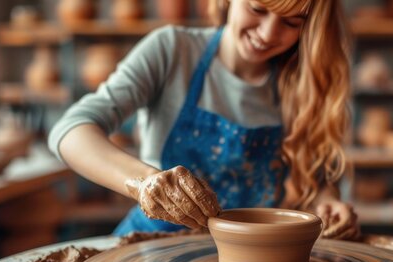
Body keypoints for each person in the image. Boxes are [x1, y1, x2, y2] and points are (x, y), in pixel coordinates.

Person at [49, 0, 360, 239]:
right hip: (153, 248)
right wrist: (144, 182)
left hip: (252, 260)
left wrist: (327, 201)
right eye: (257, 9)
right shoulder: (173, 50)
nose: (268, 34)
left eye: (292, 22)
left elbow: (316, 177)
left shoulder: (303, 81)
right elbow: (70, 131)